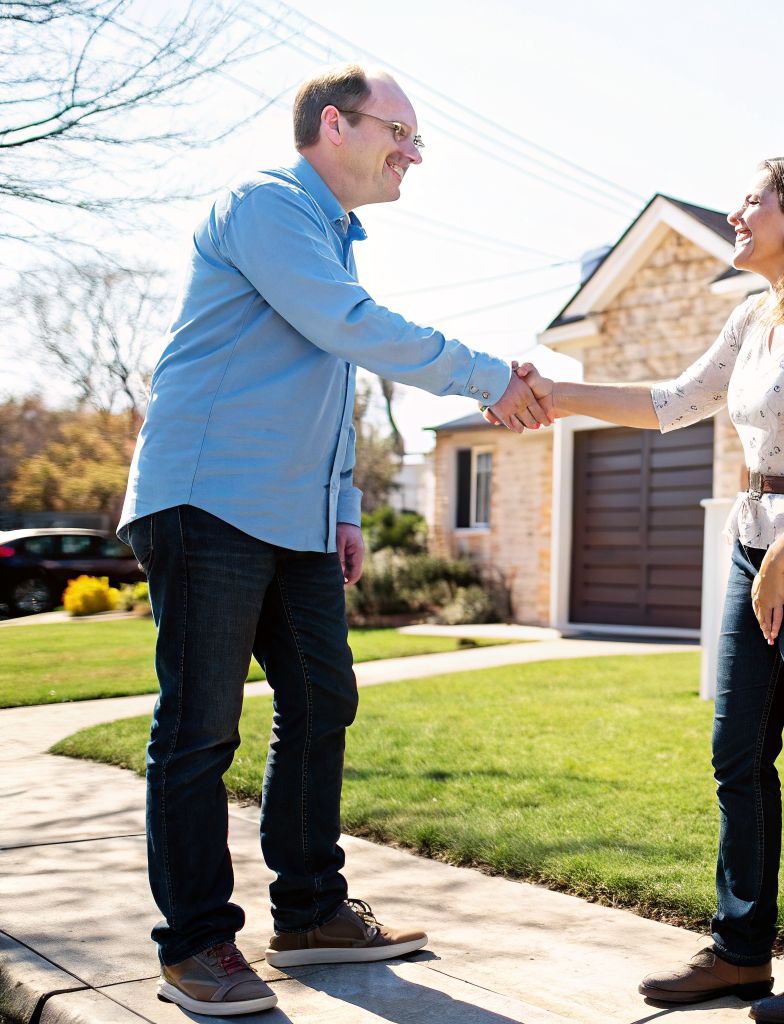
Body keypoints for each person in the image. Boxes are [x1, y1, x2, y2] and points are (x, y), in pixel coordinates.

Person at [116, 63, 549, 1017]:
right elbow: (345, 325)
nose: (413, 154)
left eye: (417, 140)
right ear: (332, 125)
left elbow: (328, 367)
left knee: (323, 700)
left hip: (296, 517)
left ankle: (310, 913)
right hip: (208, 499)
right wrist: (486, 376)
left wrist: (343, 505)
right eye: (401, 132)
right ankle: (194, 945)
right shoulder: (267, 205)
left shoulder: (331, 237)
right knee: (200, 727)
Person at [513, 155, 784, 1024]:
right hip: (759, 543)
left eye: (753, 198)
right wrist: (556, 394)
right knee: (736, 753)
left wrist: (781, 562)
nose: (737, 211)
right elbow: (672, 401)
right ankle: (740, 954)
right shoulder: (754, 316)